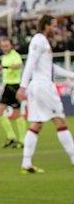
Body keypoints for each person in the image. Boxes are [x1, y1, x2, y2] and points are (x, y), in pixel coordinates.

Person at [16, 15, 74, 173]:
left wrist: (70, 74)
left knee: (36, 124)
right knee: (60, 121)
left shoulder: (43, 42)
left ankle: (26, 163)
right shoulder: (39, 40)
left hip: (38, 87)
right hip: (43, 87)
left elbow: (50, 67)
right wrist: (22, 86)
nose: (56, 29)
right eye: (53, 25)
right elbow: (30, 62)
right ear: (45, 25)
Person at [0, 38, 26, 148]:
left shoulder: (15, 55)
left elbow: (18, 65)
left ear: (10, 45)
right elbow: (6, 70)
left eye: (6, 45)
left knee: (17, 114)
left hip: (14, 86)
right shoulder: (4, 57)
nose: (4, 48)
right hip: (7, 86)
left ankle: (22, 141)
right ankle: (12, 137)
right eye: (3, 46)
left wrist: (5, 67)